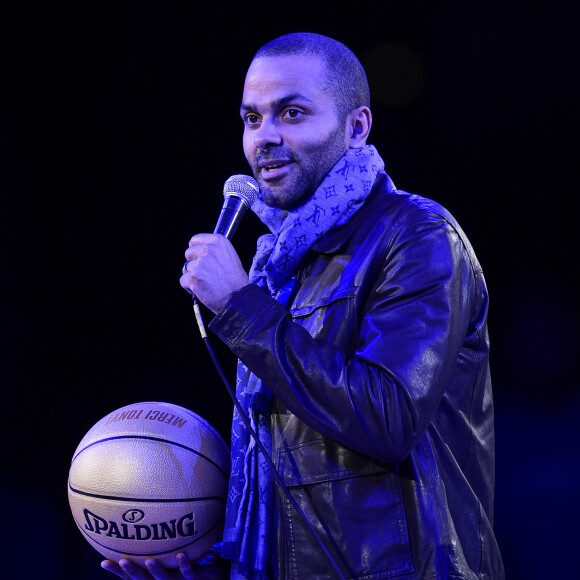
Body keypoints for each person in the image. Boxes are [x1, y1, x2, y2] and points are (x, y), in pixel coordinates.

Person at [102, 32, 504, 579]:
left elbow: (388, 418)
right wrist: (221, 568)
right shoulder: (279, 264)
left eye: (291, 113)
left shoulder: (415, 235)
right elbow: (280, 478)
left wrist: (242, 307)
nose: (264, 137)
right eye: (252, 119)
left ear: (355, 128)